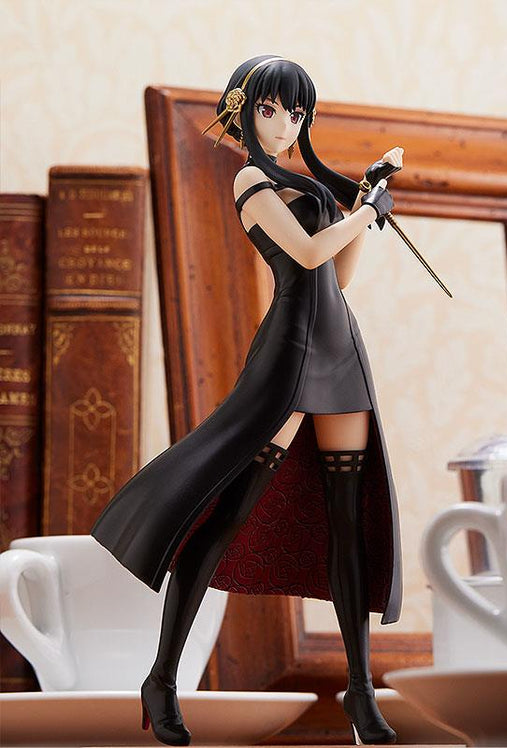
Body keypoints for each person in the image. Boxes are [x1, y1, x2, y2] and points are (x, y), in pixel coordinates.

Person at [91, 54, 404, 746]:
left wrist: (363, 203)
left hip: (340, 351)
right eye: (270, 109)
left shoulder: (307, 184)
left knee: (347, 520)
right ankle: (162, 678)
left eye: (296, 112)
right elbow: (308, 255)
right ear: (242, 110)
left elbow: (338, 277)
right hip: (290, 354)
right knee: (228, 512)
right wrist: (364, 212)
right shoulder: (250, 179)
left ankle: (358, 691)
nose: (285, 124)